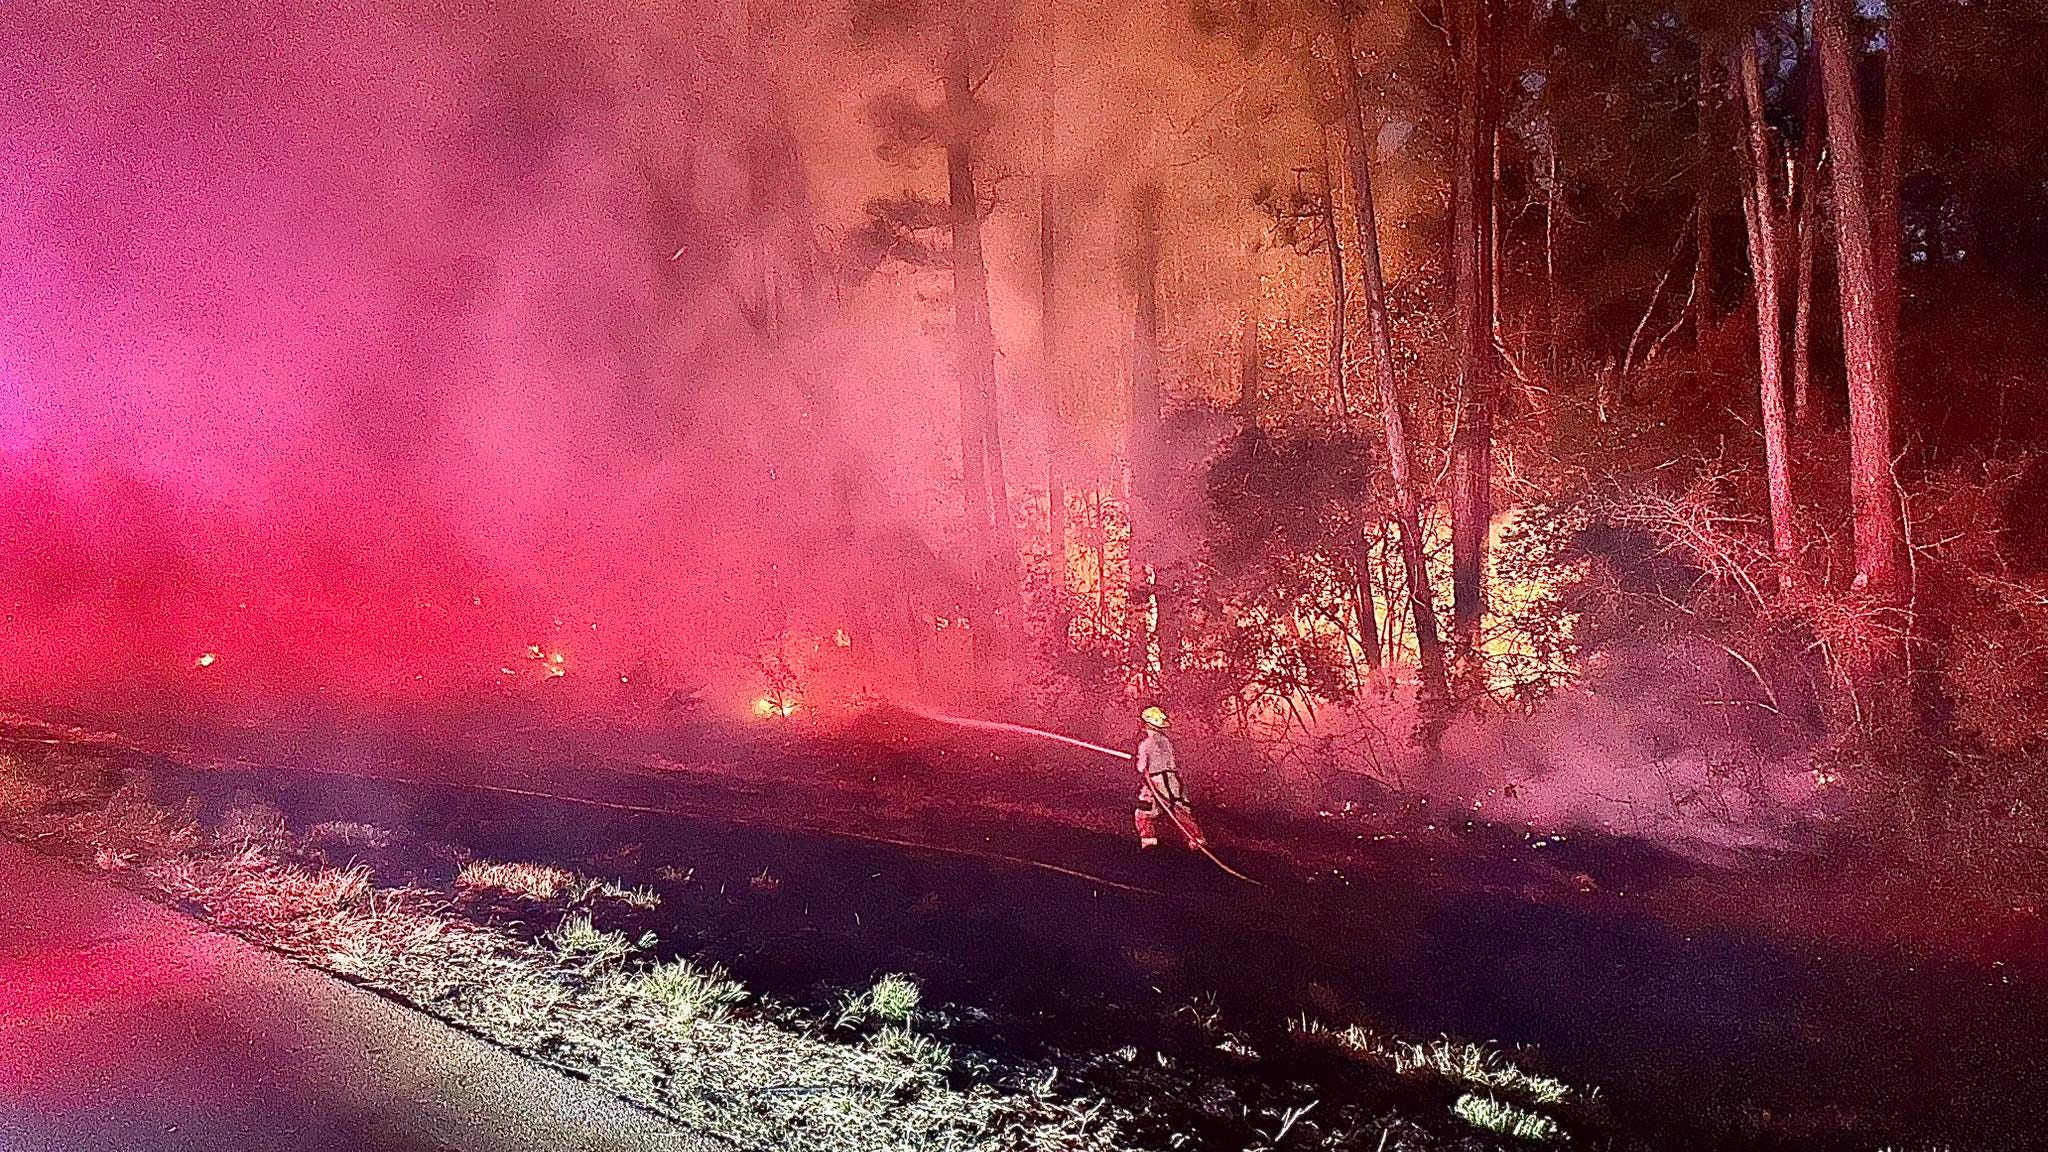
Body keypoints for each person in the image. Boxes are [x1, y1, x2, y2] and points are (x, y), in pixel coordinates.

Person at [1133, 706, 1206, 852]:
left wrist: (1137, 761)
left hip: (1156, 782)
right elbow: (1172, 762)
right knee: (1178, 809)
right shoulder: (1167, 742)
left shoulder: (1145, 745)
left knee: (1143, 812)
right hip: (1172, 780)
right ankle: (1196, 839)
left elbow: (1141, 767)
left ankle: (1149, 842)